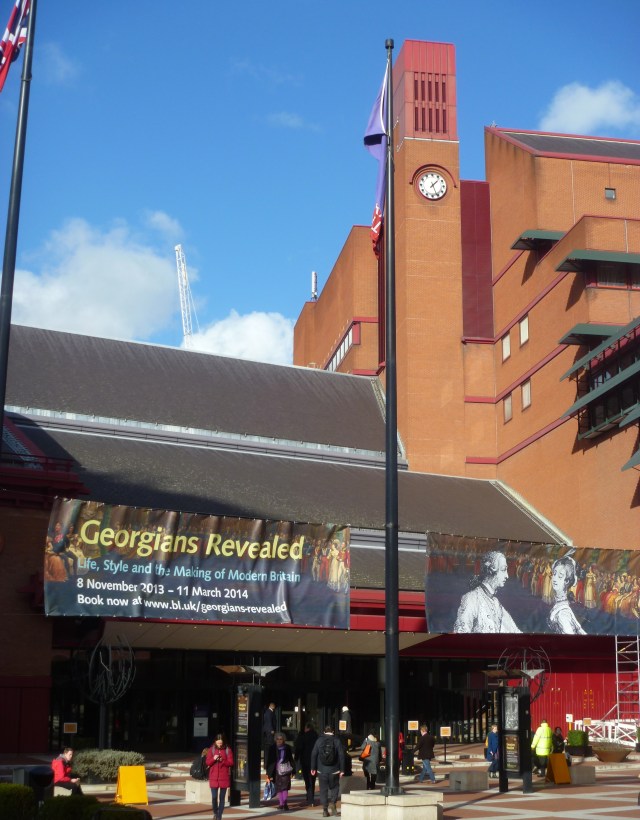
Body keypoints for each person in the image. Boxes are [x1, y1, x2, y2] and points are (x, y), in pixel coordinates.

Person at [453, 551, 521, 633]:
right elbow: (460, 634)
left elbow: (514, 631)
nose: (507, 575)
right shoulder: (471, 598)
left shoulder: (496, 603)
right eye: (503, 570)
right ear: (491, 571)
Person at [311, 725, 345, 817]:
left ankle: (325, 810)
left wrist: (313, 768)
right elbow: (341, 755)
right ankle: (333, 803)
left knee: (323, 790)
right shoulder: (337, 740)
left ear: (324, 731)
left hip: (321, 770)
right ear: (333, 731)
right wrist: (342, 769)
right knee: (334, 787)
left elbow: (314, 754)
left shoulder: (319, 740)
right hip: (334, 770)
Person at [548, 556, 586, 635]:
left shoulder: (563, 614)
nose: (554, 578)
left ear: (567, 581)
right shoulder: (560, 604)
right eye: (554, 574)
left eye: (560, 576)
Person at [205, 732, 234, 820]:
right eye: (218, 743)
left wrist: (222, 760)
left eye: (221, 743)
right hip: (213, 777)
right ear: (215, 742)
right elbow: (207, 762)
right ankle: (215, 812)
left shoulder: (228, 750)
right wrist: (214, 758)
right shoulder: (211, 750)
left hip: (224, 777)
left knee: (222, 799)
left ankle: (219, 816)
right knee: (214, 797)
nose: (220, 745)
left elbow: (231, 763)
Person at [266, 732, 295, 811]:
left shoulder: (287, 748)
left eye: (281, 739)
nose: (279, 741)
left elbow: (291, 759)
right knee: (278, 787)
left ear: (284, 740)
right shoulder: (272, 748)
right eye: (277, 739)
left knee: (285, 787)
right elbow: (269, 761)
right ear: (275, 740)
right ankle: (281, 803)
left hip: (285, 770)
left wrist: (294, 771)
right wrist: (268, 773)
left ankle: (285, 803)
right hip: (276, 771)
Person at [294, 721, 318, 805]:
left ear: (307, 728)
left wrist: (296, 759)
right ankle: (311, 797)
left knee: (307, 780)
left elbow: (298, 748)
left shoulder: (303, 737)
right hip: (314, 762)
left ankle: (309, 796)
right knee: (313, 780)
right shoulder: (317, 737)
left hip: (305, 761)